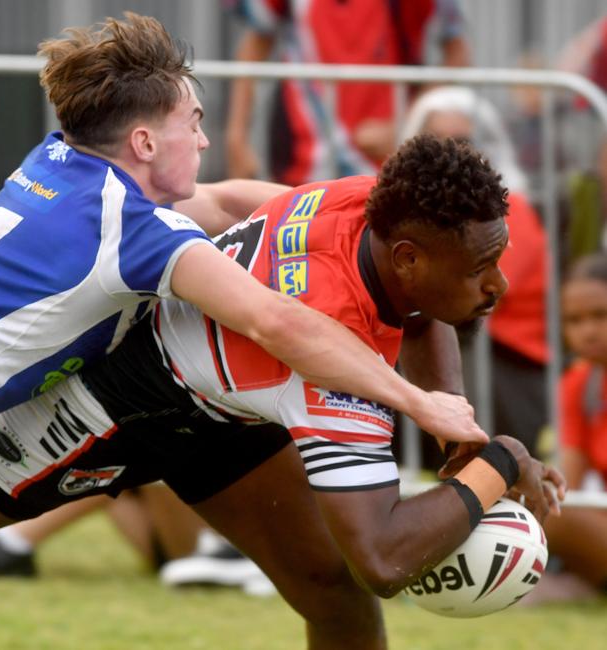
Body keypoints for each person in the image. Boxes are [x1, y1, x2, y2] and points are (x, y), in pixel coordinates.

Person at [0, 135, 564, 649]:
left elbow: (419, 310)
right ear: (407, 260)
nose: (499, 284)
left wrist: (454, 436)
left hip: (224, 409)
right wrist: (500, 460)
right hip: (123, 398)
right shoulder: (330, 376)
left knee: (333, 593)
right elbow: (385, 559)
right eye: (480, 268)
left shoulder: (372, 205)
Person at [0, 12, 485, 442]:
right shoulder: (136, 233)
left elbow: (226, 202)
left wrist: (374, 223)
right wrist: (420, 402)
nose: (205, 141)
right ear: (144, 144)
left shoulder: (56, 161)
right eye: (194, 123)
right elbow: (279, 322)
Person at [399, 85, 549, 457]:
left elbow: (475, 290)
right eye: (435, 141)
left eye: (463, 140)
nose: (450, 153)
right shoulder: (414, 211)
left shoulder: (515, 209)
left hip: (508, 366)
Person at [224, 0, 470, 184]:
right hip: (302, 153)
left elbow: (457, 54)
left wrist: (407, 125)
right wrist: (236, 136)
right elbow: (254, 46)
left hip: (383, 160)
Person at [529, 252, 607, 604]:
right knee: (545, 508)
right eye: (575, 321)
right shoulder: (578, 385)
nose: (588, 331)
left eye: (600, 316)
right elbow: (569, 488)